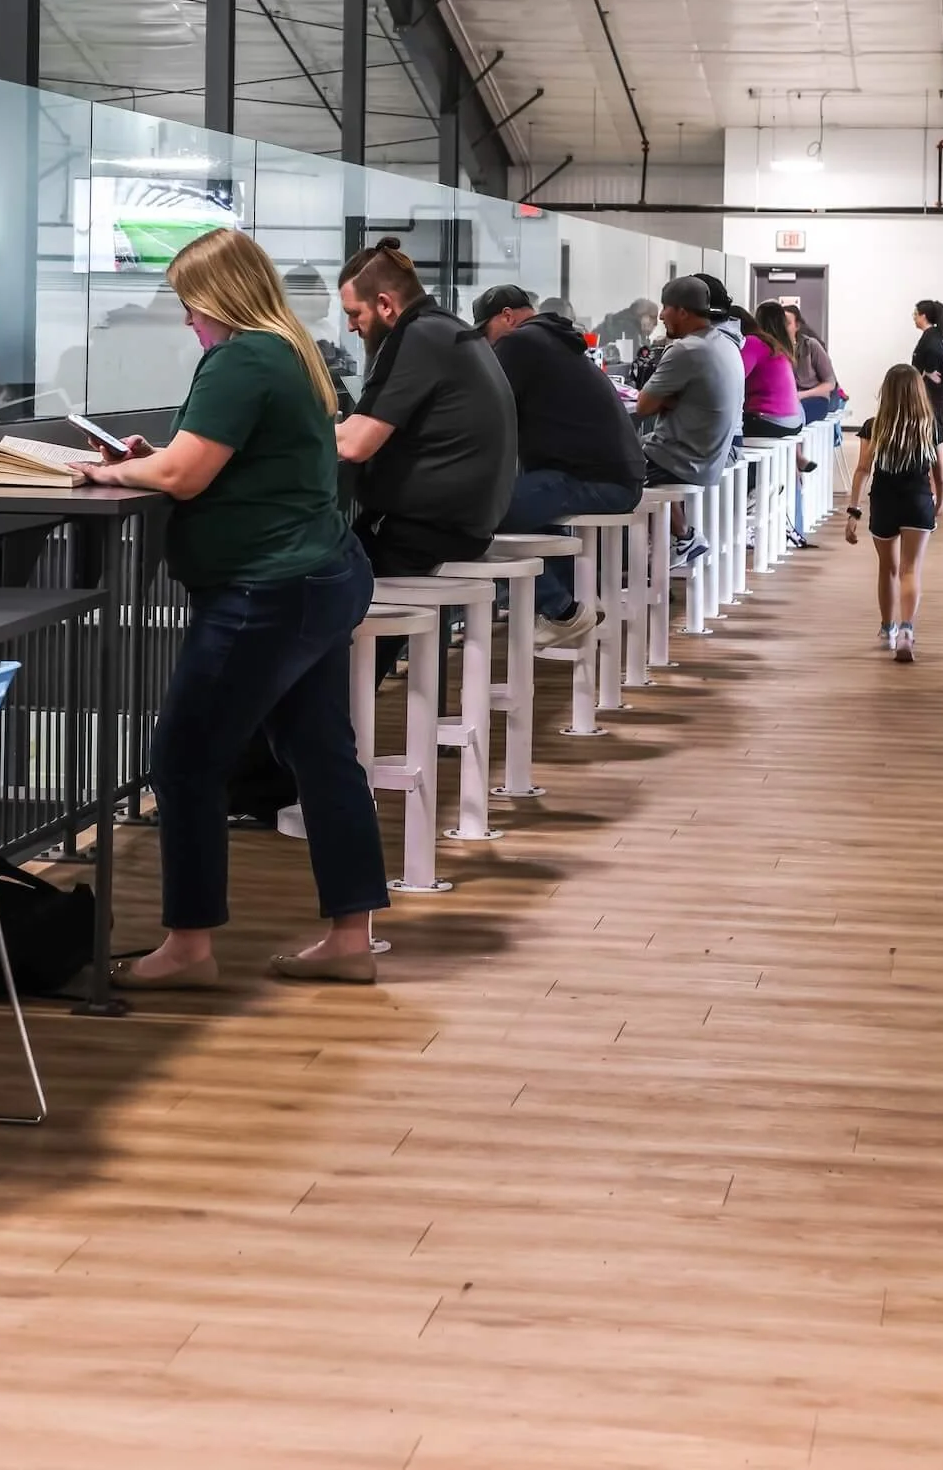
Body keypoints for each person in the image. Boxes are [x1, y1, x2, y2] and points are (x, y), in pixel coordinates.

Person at [78, 229, 388, 989]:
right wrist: (153, 462)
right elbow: (220, 460)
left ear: (220, 299)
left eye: (191, 308)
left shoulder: (242, 356)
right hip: (320, 575)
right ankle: (351, 935)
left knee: (184, 759)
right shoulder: (291, 351)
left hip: (266, 590)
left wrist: (104, 472)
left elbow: (187, 475)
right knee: (321, 754)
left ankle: (188, 946)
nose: (189, 324)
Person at [335, 237, 517, 583]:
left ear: (385, 305)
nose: (350, 326)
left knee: (319, 577)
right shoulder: (450, 328)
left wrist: (291, 432)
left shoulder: (414, 336)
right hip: (468, 522)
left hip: (428, 532)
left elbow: (355, 444)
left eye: (354, 314)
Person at [475, 282, 644, 647]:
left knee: (474, 515)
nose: (486, 346)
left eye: (485, 334)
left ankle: (562, 610)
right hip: (611, 477)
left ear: (506, 317)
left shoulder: (519, 343)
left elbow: (486, 408)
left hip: (593, 481)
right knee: (528, 506)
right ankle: (574, 600)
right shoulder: (556, 341)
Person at [844, 362, 943, 665]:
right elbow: (939, 474)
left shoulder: (874, 426)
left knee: (888, 569)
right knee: (910, 569)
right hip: (918, 502)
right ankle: (907, 630)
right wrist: (941, 500)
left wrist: (854, 511)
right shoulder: (930, 426)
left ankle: (887, 629)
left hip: (884, 502)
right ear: (919, 392)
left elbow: (863, 470)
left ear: (885, 393)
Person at [633, 277, 744, 538]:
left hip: (681, 460)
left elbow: (643, 406)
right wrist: (675, 400)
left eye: (665, 307)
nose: (660, 315)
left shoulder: (685, 350)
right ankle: (678, 538)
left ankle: (676, 540)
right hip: (710, 457)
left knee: (610, 468)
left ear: (682, 311)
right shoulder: (725, 345)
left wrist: (666, 400)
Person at [739, 301, 805, 440]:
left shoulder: (754, 342)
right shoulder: (781, 349)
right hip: (794, 421)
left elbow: (736, 377)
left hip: (769, 420)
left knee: (723, 425)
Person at [911, 298, 943, 444]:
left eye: (916, 314)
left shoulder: (930, 339)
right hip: (938, 393)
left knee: (931, 428)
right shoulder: (939, 335)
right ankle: (938, 458)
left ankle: (935, 460)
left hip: (930, 393)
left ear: (923, 316)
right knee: (936, 426)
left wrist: (927, 372)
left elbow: (935, 353)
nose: (914, 317)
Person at [785, 306, 839, 425]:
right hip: (788, 399)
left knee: (794, 413)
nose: (782, 327)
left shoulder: (811, 345)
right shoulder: (775, 349)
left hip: (814, 398)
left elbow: (830, 383)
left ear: (797, 326)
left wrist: (801, 395)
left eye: (787, 323)